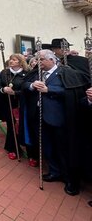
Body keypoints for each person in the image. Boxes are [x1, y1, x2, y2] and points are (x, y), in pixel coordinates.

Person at [23, 49, 87, 196]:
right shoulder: (37, 72)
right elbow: (24, 84)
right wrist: (32, 86)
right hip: (40, 118)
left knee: (63, 150)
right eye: (37, 60)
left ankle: (70, 179)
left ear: (51, 60)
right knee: (48, 148)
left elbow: (71, 92)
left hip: (58, 119)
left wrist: (49, 89)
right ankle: (54, 171)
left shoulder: (65, 73)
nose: (38, 63)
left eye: (41, 60)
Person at [0, 54, 33, 163]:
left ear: (20, 62)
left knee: (23, 126)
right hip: (8, 104)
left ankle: (30, 151)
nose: (11, 61)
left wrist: (15, 92)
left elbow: (28, 90)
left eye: (14, 60)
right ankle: (12, 148)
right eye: (10, 59)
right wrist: (3, 89)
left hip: (21, 104)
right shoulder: (4, 73)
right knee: (11, 126)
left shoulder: (27, 74)